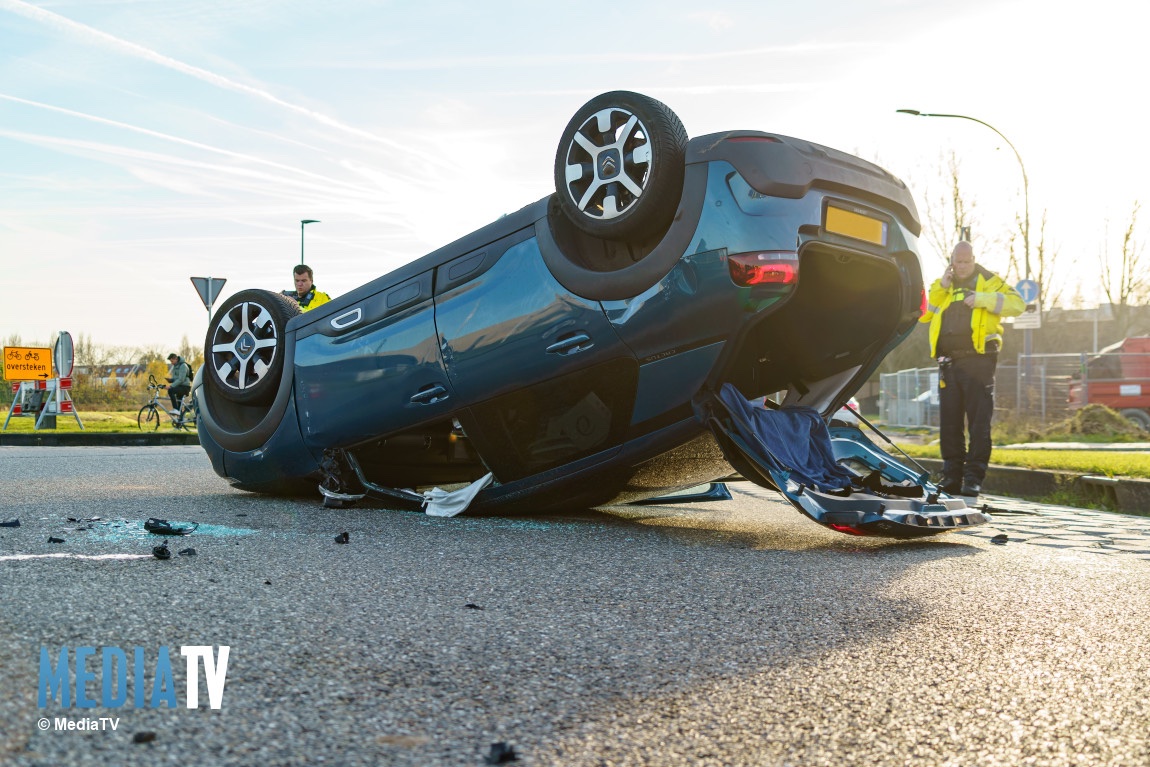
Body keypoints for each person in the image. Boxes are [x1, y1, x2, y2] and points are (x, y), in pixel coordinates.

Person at [919, 241, 1025, 497]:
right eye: (958, 261)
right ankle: (951, 478)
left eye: (967, 261)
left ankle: (973, 478)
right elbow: (924, 315)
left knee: (978, 423)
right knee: (950, 423)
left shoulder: (988, 281)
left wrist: (982, 300)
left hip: (979, 361)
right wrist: (942, 287)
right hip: (948, 363)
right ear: (952, 262)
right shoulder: (942, 286)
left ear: (974, 260)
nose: (963, 266)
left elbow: (1017, 305)